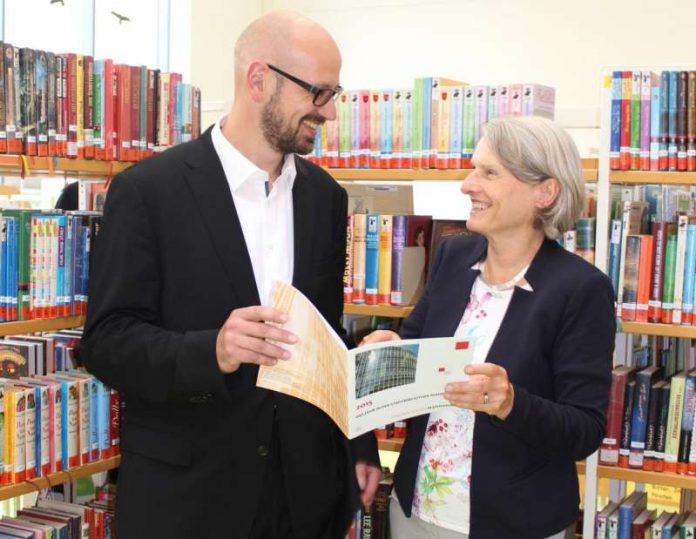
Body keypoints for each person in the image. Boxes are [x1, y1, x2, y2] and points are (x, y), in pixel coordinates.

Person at [81, 11, 380, 539]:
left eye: (335, 93)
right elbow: (107, 342)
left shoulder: (325, 199)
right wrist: (212, 350)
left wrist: (358, 444)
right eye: (319, 93)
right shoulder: (149, 193)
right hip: (190, 498)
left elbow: (327, 337)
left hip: (304, 494)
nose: (329, 112)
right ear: (258, 79)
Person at [362, 116, 615, 538]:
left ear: (544, 192)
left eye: (489, 172)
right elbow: (417, 353)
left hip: (513, 523)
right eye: (473, 167)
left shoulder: (581, 289)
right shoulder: (453, 257)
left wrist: (509, 402)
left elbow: (584, 429)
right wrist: (393, 352)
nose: (467, 184)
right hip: (416, 514)